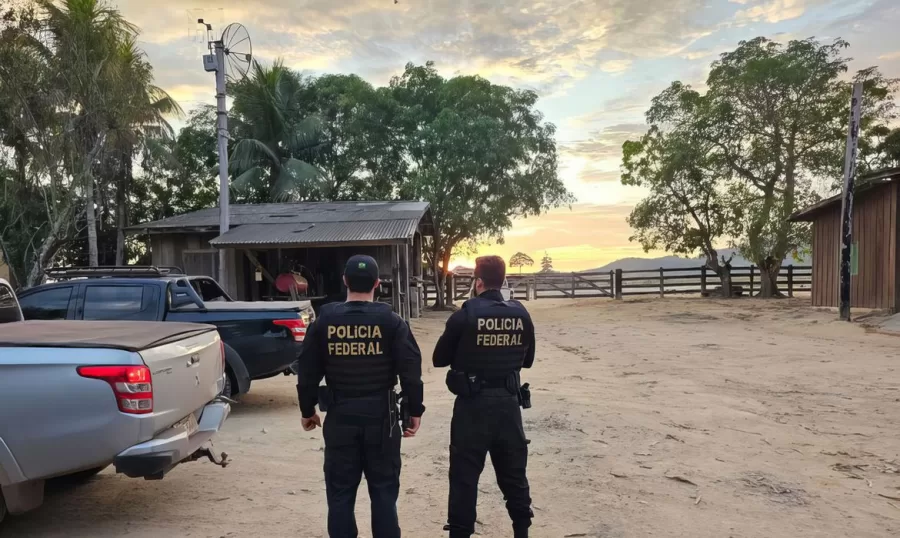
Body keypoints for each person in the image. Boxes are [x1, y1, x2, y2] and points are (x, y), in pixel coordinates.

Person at [296, 254, 425, 538]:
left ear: (344, 281)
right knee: (383, 494)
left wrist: (307, 411)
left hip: (340, 417)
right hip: (382, 420)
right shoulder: (392, 322)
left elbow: (306, 372)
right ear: (377, 284)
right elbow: (411, 372)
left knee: (340, 495)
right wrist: (415, 411)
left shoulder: (324, 321)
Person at [433, 255, 536, 538]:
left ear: (477, 282)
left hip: (472, 408)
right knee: (514, 476)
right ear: (502, 282)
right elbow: (527, 361)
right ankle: (522, 531)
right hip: (508, 405)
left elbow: (439, 359)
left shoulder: (464, 315)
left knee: (465, 479)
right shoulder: (520, 314)